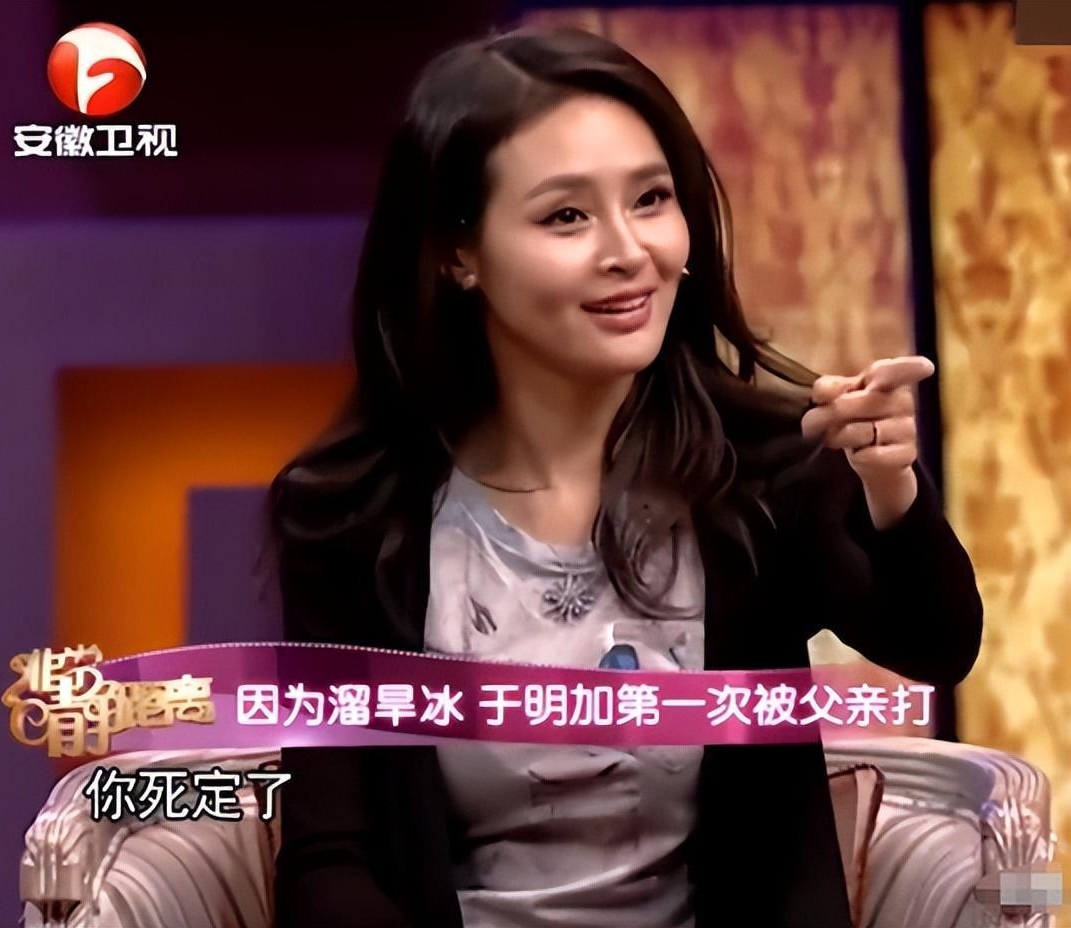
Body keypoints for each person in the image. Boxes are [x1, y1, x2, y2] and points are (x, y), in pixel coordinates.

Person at [265, 23, 983, 928]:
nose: (629, 251)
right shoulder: (352, 518)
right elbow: (330, 861)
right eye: (566, 216)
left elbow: (937, 643)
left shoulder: (759, 469)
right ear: (458, 253)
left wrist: (890, 486)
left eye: (651, 199)